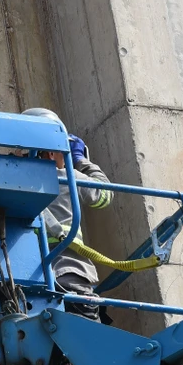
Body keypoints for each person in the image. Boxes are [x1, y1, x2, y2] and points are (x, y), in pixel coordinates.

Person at [40, 134, 114, 321]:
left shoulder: (15, 180)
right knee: (88, 343)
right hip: (69, 276)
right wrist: (80, 160)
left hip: (29, 283)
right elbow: (104, 195)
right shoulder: (67, 177)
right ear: (51, 153)